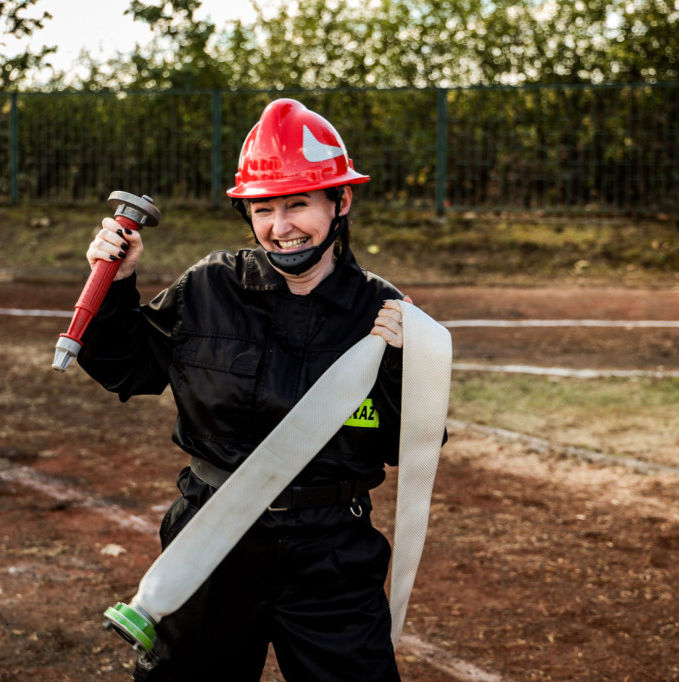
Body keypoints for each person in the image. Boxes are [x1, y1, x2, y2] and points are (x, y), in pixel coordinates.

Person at [77, 98, 443, 682]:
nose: (281, 227)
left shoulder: (384, 314)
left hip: (333, 553)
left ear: (340, 202)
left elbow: (410, 443)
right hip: (210, 542)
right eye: (264, 208)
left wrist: (405, 363)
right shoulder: (208, 288)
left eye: (299, 204)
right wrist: (116, 287)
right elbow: (128, 369)